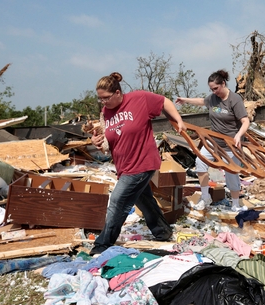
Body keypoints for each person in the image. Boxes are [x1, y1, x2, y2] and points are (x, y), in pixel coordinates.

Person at [90, 72, 187, 255]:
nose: (103, 102)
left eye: (106, 98)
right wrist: (97, 142)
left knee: (118, 202)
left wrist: (179, 120)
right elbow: (107, 141)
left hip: (143, 162)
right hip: (124, 165)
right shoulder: (106, 112)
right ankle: (163, 231)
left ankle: (102, 245)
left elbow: (164, 101)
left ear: (118, 93)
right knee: (144, 200)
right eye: (100, 99)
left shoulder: (139, 99)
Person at [175, 69, 250, 211]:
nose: (214, 91)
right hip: (214, 142)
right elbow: (202, 101)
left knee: (231, 173)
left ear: (223, 83)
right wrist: (185, 100)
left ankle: (235, 204)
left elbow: (245, 121)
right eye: (211, 89)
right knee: (200, 163)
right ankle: (205, 197)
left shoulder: (234, 99)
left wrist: (239, 135)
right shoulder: (213, 98)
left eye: (216, 88)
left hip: (231, 144)